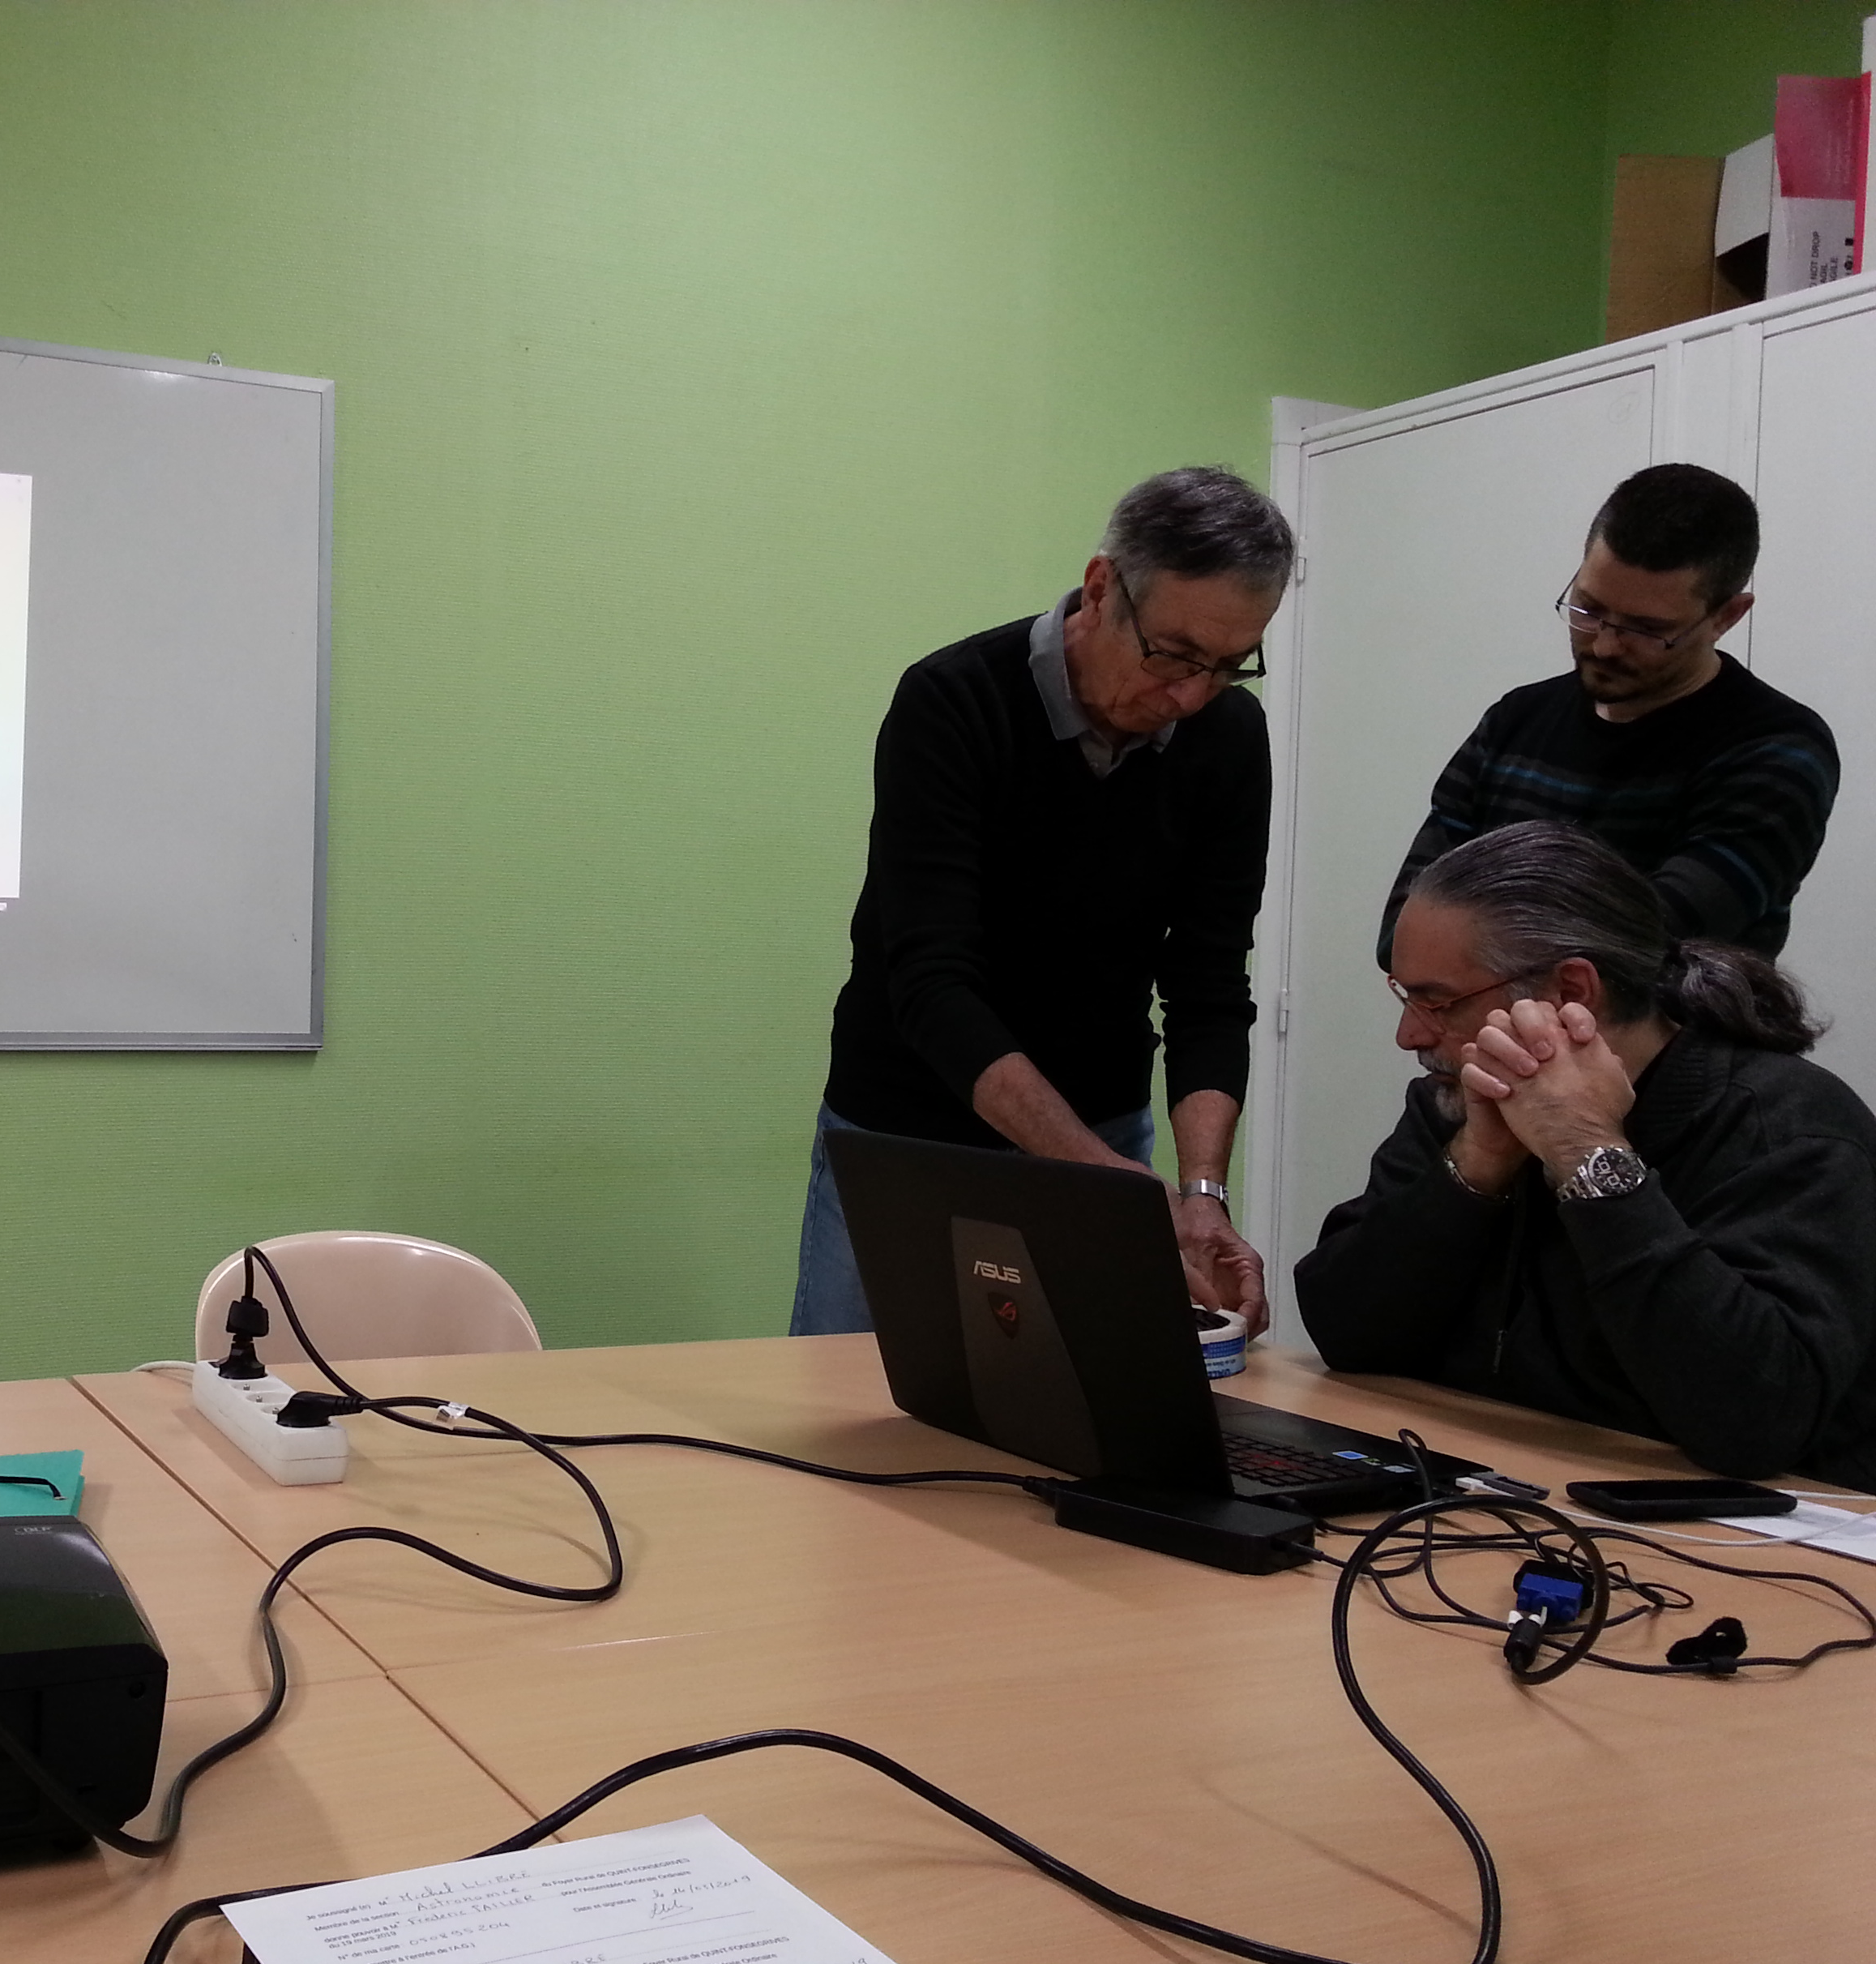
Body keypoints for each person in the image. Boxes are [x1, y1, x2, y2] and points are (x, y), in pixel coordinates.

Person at [793, 466, 1286, 1337]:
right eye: (1173, 654)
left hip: (1100, 1121)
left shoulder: (1229, 736)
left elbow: (1209, 983)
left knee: (1090, 1397)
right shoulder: (954, 699)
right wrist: (1101, 1174)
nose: (1190, 695)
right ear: (1101, 589)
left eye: (1226, 666)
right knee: (851, 1396)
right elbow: (932, 982)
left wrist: (1201, 1194)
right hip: (908, 1132)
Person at [1300, 820, 1876, 1491]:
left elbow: (1756, 1422)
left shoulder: (1788, 1130)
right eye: (1406, 998)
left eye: (1438, 1003)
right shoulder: (1460, 1103)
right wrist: (1478, 1164)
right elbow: (1346, 1334)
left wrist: (1588, 1154)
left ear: (1572, 992)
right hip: (1497, 1485)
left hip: (1736, 1527)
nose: (1409, 1035)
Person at [1378, 463, 1838, 965]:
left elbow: (1638, 951)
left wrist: (1467, 958)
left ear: (1727, 616)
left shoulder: (1777, 749)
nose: (1604, 645)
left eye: (1647, 629)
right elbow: (1407, 926)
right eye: (1589, 609)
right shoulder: (1514, 719)